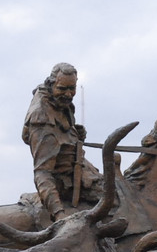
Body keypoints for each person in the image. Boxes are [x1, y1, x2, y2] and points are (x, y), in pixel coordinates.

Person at [22, 62, 104, 221]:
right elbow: (42, 173)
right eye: (62, 89)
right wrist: (59, 214)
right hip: (67, 184)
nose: (68, 94)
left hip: (83, 173)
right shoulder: (42, 119)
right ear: (51, 84)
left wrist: (75, 135)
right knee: (116, 200)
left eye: (72, 88)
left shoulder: (61, 104)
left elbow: (62, 141)